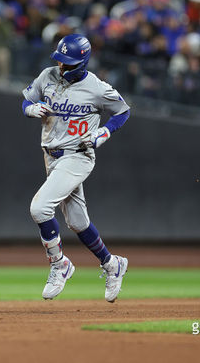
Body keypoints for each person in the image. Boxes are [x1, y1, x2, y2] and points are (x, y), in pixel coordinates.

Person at [22, 33, 131, 302]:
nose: (61, 66)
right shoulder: (47, 75)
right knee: (78, 222)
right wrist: (29, 109)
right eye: (60, 60)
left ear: (81, 63)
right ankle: (111, 264)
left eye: (66, 63)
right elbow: (26, 99)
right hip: (51, 155)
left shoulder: (96, 87)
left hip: (78, 155)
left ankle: (60, 264)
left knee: (39, 208)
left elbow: (123, 111)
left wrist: (105, 131)